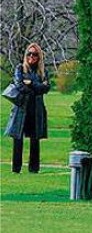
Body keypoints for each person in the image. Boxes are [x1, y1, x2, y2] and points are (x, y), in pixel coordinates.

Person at [5, 43, 50, 173]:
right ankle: (16, 168)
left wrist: (31, 84)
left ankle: (34, 168)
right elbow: (19, 85)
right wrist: (37, 87)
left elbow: (46, 88)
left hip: (36, 109)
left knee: (35, 140)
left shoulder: (43, 71)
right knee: (17, 139)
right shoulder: (20, 68)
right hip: (21, 108)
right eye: (29, 53)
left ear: (39, 56)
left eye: (35, 54)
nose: (32, 56)